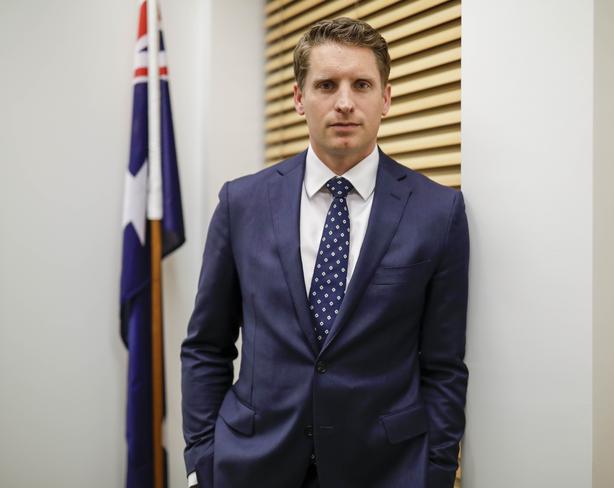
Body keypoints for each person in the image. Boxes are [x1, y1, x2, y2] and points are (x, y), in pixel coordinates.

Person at [181, 17, 469, 488]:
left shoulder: (439, 212)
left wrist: (434, 473)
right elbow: (207, 347)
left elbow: (443, 366)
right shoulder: (241, 203)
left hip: (385, 469)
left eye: (361, 84)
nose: (344, 102)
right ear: (299, 98)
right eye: (326, 85)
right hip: (251, 464)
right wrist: (202, 459)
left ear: (386, 98)